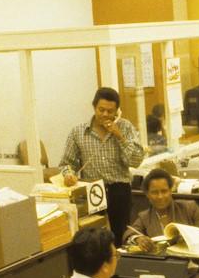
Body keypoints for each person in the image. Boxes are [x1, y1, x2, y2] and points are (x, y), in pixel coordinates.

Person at [59, 87, 144, 246]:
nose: (105, 114)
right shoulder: (78, 132)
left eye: (110, 111)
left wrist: (120, 136)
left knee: (121, 236)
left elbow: (136, 160)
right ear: (94, 107)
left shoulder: (125, 127)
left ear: (117, 111)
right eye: (101, 110)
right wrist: (69, 174)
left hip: (119, 189)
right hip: (93, 190)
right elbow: (66, 163)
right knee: (96, 238)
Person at [125, 168, 199, 251]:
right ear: (147, 194)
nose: (160, 196)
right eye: (154, 192)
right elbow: (129, 233)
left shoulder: (190, 208)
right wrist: (138, 239)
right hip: (162, 263)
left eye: (164, 191)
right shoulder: (145, 217)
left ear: (170, 191)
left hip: (194, 262)